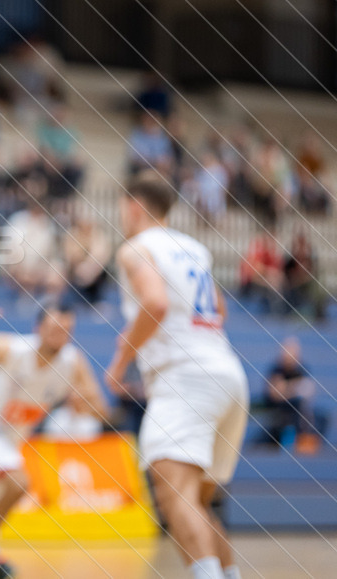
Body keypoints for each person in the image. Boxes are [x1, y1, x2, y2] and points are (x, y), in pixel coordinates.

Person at [105, 171, 249, 579]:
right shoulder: (194, 249)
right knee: (196, 502)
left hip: (185, 379)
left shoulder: (136, 248)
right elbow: (219, 311)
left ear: (134, 206)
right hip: (227, 374)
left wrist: (120, 360)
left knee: (172, 493)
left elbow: (154, 302)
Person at [0, 306, 107, 578]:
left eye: (66, 331)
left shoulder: (73, 363)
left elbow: (101, 410)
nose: (60, 335)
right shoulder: (12, 349)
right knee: (19, 481)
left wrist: (84, 402)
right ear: (39, 328)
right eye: (54, 328)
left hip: (10, 442)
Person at [261, 338, 327, 455]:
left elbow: (309, 390)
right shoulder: (277, 369)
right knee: (298, 404)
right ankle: (302, 440)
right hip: (279, 408)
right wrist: (294, 388)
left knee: (321, 416)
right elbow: (275, 394)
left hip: (297, 407)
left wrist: (287, 388)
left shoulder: (301, 369)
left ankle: (308, 441)